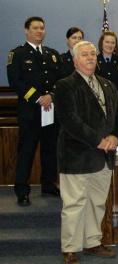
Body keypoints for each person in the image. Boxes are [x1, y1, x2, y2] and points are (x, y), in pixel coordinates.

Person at [54, 41, 118, 263]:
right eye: (84, 55)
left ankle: (92, 242)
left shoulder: (107, 85)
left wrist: (115, 136)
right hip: (76, 155)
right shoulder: (65, 85)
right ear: (75, 60)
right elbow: (71, 121)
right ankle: (69, 248)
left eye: (92, 54)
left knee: (96, 202)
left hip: (104, 157)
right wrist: (99, 140)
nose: (90, 58)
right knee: (74, 204)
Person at [6, 16, 64, 206]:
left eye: (42, 28)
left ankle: (48, 184)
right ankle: (22, 190)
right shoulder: (18, 54)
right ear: (26, 31)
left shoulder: (52, 54)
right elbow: (16, 81)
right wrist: (38, 97)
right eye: (35, 28)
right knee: (26, 151)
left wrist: (52, 95)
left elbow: (61, 80)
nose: (40, 31)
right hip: (30, 111)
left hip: (50, 110)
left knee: (49, 149)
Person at [96, 31, 118, 101]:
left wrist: (115, 93)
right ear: (101, 43)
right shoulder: (95, 60)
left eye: (113, 43)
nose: (110, 45)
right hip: (100, 100)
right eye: (107, 42)